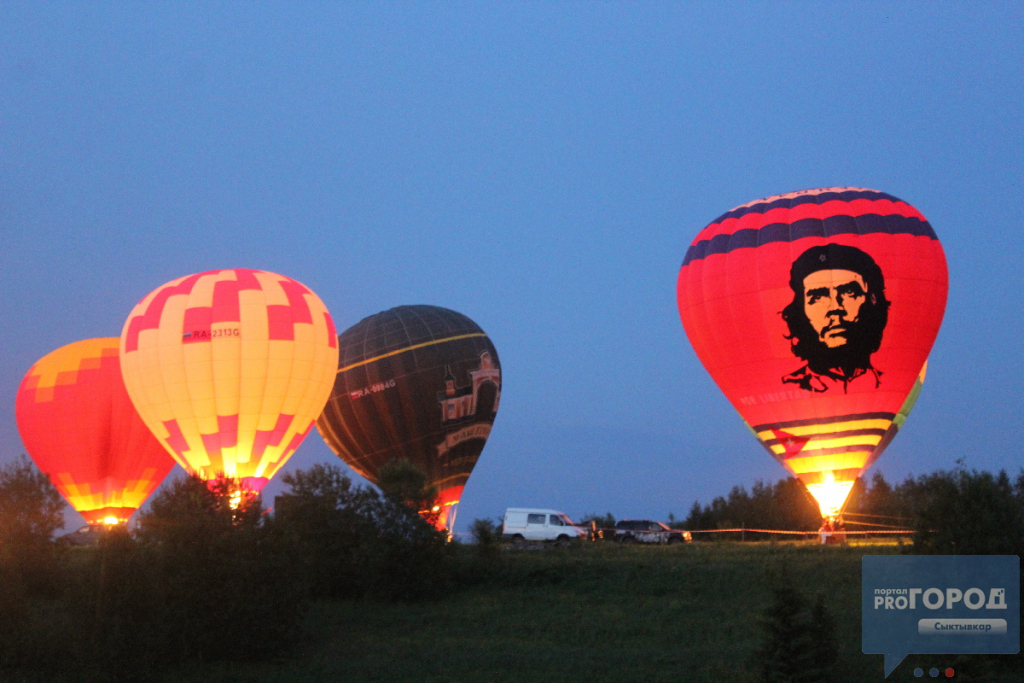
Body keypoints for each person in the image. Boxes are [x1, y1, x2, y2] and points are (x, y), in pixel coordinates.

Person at [780, 244, 890, 393]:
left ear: (873, 299)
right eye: (818, 297)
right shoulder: (789, 387)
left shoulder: (894, 383)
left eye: (849, 292)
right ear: (800, 309)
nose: (835, 308)